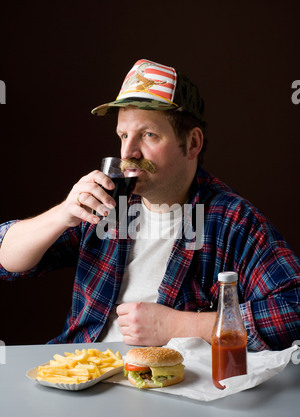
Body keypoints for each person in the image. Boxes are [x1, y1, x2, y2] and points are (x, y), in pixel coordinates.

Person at [0, 59, 299, 351]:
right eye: (123, 135)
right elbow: (6, 259)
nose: (128, 152)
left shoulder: (230, 220)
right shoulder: (109, 204)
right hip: (83, 375)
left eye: (148, 135)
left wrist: (178, 326)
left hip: (169, 388)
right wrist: (64, 213)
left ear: (193, 143)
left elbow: (294, 309)